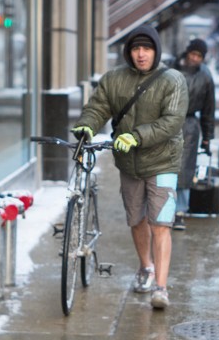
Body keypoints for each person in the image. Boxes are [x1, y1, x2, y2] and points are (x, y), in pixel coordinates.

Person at [71, 24, 188, 309]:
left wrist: (136, 136)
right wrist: (88, 124)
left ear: (156, 51)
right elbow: (98, 106)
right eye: (136, 48)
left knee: (161, 223)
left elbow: (172, 121)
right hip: (129, 165)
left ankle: (161, 287)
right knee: (136, 220)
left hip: (164, 163)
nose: (141, 54)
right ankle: (145, 267)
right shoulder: (113, 79)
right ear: (128, 51)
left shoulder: (173, 80)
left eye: (146, 48)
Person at [171, 38, 216, 230]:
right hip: (166, 122)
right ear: (187, 53)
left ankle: (180, 211)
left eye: (199, 56)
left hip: (189, 126)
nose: (195, 58)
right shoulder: (169, 69)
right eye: (193, 54)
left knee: (184, 169)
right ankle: (161, 209)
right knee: (161, 167)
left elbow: (209, 108)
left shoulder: (205, 77)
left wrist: (207, 136)